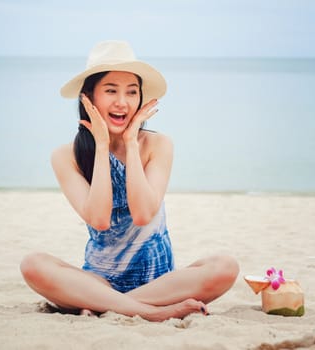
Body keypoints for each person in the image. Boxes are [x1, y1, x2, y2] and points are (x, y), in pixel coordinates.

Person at [20, 40, 239, 321]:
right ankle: (150, 312)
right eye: (111, 91)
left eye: (131, 92)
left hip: (159, 283)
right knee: (33, 264)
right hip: (99, 282)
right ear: (89, 97)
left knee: (225, 266)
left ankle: (109, 306)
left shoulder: (158, 145)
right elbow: (99, 219)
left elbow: (143, 213)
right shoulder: (66, 156)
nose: (122, 102)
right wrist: (101, 146)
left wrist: (132, 143)